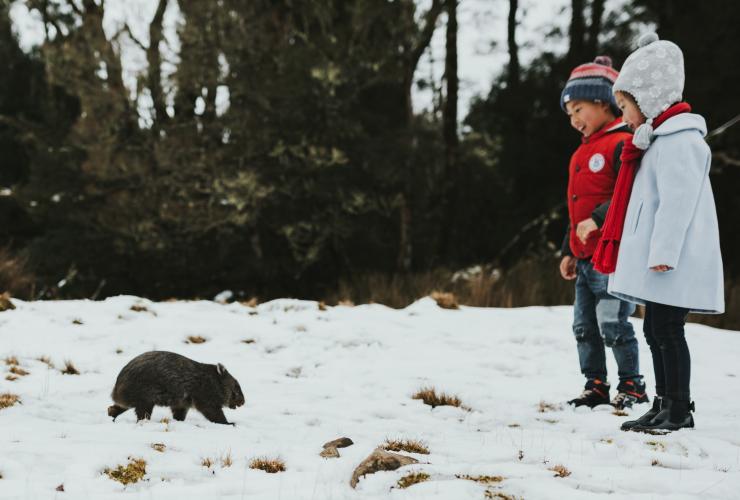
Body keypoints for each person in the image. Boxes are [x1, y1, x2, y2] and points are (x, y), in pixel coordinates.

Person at [592, 33, 725, 432]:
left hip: (671, 260)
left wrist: (663, 252)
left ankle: (680, 408)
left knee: (668, 330)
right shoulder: (655, 142)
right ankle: (663, 402)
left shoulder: (680, 142)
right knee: (654, 329)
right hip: (657, 261)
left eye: (626, 106)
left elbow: (677, 203)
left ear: (649, 99)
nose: (624, 115)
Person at [559, 56, 647, 410]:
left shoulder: (622, 143)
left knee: (612, 322)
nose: (574, 120)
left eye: (578, 109)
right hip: (583, 259)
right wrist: (567, 248)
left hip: (611, 258)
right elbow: (575, 206)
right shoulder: (581, 152)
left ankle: (632, 384)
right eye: (568, 114)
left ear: (603, 101)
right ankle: (595, 384)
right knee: (584, 325)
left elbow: (630, 195)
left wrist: (598, 218)